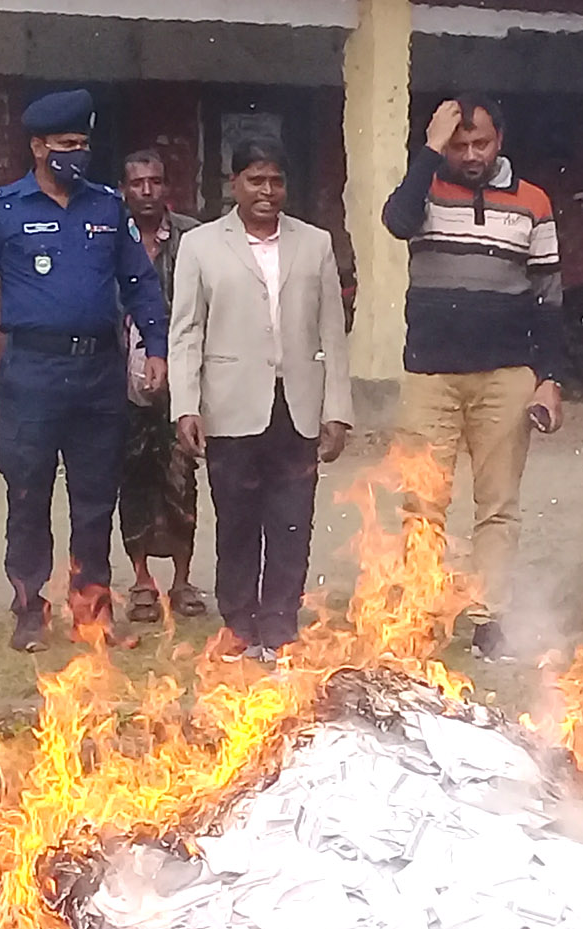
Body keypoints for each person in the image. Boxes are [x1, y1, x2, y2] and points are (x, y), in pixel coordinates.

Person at [0, 89, 169, 653]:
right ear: (39, 146)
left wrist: (157, 348)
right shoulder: (3, 209)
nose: (78, 154)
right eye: (67, 145)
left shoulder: (106, 207)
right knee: (29, 496)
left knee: (96, 499)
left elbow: (139, 282)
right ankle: (28, 609)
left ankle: (93, 614)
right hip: (32, 374)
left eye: (84, 144)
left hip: (97, 373)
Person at [383, 96, 566, 662]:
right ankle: (419, 612)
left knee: (498, 505)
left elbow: (549, 300)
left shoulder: (533, 202)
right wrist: (428, 151)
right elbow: (395, 221)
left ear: (499, 139)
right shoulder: (423, 192)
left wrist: (550, 377)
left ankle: (489, 617)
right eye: (458, 144)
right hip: (431, 374)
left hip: (506, 376)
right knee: (423, 501)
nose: (469, 154)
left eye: (479, 143)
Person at [171, 139, 352, 662]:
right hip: (229, 405)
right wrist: (186, 405)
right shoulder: (203, 246)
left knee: (292, 519)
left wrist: (336, 410)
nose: (267, 192)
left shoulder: (314, 244)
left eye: (275, 181)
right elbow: (186, 332)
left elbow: (331, 334)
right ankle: (239, 625)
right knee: (237, 520)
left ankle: (280, 626)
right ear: (235, 185)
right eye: (255, 180)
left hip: (296, 404)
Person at [116, 149, 206, 625]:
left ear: (167, 186)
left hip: (182, 372)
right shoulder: (110, 234)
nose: (146, 192)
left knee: (181, 478)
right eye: (137, 183)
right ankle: (141, 581)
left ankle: (183, 580)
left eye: (155, 182)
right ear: (124, 189)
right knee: (133, 476)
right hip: (119, 372)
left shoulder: (194, 237)